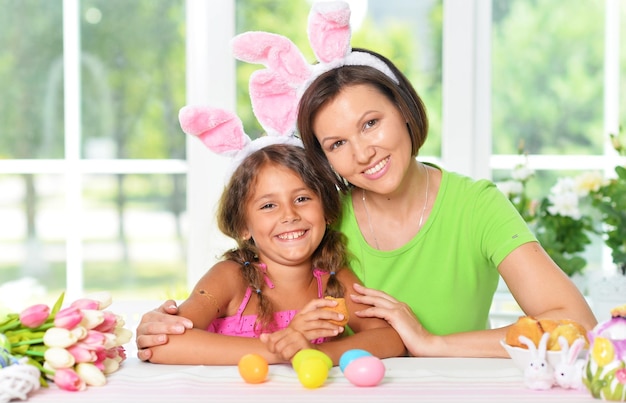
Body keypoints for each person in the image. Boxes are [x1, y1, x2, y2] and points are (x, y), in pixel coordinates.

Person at [136, 1, 596, 360]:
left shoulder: (476, 206)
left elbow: (575, 323)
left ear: (406, 109)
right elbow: (258, 305)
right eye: (335, 144)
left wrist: (430, 343)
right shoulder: (318, 218)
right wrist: (172, 321)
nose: (362, 153)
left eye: (371, 123)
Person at [146, 140, 405, 365]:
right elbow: (163, 343)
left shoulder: (332, 277)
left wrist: (314, 352)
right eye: (269, 205)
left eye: (302, 199)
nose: (289, 215)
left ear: (326, 211)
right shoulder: (231, 277)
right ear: (243, 226)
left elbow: (390, 339)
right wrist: (284, 349)